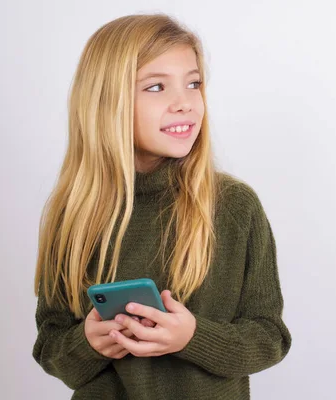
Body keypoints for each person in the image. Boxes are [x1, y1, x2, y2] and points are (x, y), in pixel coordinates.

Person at [32, 13, 292, 400]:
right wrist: (89, 342)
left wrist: (192, 337)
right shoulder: (75, 215)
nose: (184, 103)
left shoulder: (233, 206)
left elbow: (270, 338)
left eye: (194, 84)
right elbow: (51, 349)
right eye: (156, 87)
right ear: (107, 102)